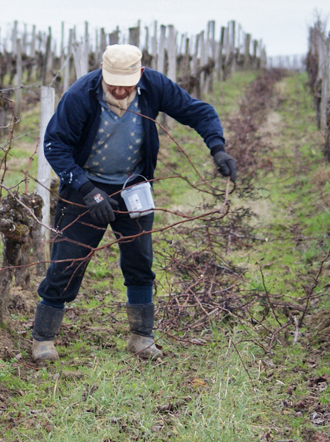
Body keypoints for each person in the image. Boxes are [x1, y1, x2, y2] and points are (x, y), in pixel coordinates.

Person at [32, 44, 236, 362]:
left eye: (125, 84)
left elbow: (199, 112)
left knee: (140, 261)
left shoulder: (153, 86)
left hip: (133, 187)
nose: (118, 89)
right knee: (66, 262)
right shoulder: (81, 95)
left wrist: (217, 147)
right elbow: (55, 144)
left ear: (139, 75)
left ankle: (141, 337)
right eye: (112, 82)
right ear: (102, 72)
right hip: (86, 190)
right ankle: (43, 338)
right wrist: (87, 189)